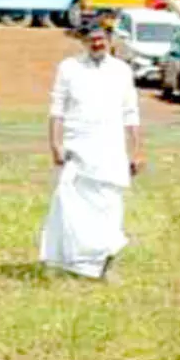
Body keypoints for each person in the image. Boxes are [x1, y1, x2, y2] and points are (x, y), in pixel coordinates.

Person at [40, 21, 144, 280]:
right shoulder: (69, 68)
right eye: (91, 39)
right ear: (83, 42)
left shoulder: (121, 70)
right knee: (71, 205)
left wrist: (137, 151)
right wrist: (55, 144)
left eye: (101, 39)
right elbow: (57, 109)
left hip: (109, 148)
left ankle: (105, 264)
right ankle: (73, 264)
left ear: (109, 40)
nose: (97, 44)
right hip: (77, 147)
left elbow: (130, 112)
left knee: (108, 206)